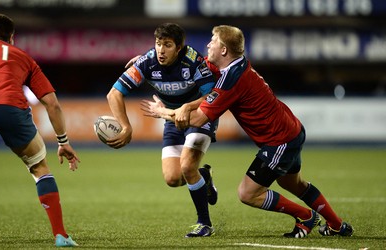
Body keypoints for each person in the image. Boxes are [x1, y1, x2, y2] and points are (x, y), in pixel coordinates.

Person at [141, 25, 354, 238]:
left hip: (279, 141)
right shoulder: (234, 65)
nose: (208, 44)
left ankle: (305, 216)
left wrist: (162, 112)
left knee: (248, 193)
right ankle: (337, 225)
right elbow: (197, 64)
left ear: (223, 50)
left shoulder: (230, 80)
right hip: (291, 131)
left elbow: (197, 119)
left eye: (213, 41)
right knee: (293, 183)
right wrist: (145, 62)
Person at [106, 23, 218, 237]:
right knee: (173, 179)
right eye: (158, 44)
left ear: (179, 48)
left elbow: (212, 97)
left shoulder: (194, 62)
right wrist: (126, 126)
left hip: (199, 117)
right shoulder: (147, 62)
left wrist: (187, 107)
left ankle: (204, 223)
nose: (161, 50)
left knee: (187, 166)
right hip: (171, 119)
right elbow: (114, 94)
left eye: (167, 45)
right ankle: (204, 176)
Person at [0, 13, 80, 247]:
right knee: (39, 167)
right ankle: (60, 235)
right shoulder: (23, 57)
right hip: (12, 110)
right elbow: (52, 103)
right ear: (12, 37)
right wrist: (63, 141)